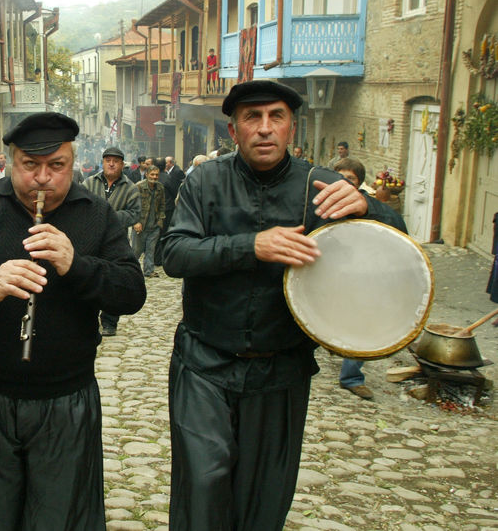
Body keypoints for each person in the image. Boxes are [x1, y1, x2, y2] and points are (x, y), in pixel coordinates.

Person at [162, 80, 401, 530]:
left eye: (277, 117)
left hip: (282, 369)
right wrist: (251, 245)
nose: (265, 128)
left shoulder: (321, 185)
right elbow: (173, 254)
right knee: (203, 485)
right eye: (253, 118)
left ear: (293, 127)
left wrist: (369, 206)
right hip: (203, 362)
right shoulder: (204, 181)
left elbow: (395, 243)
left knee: (264, 500)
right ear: (233, 131)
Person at [0, 112, 146, 530]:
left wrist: (76, 264)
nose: (43, 179)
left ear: (73, 164)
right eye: (30, 165)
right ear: (10, 162)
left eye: (56, 166)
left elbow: (131, 292)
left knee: (61, 520)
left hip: (66, 399)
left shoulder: (95, 212)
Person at [332, 156, 407, 401]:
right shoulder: (322, 204)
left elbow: (398, 231)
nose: (344, 182)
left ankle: (351, 377)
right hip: (333, 275)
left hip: (363, 277)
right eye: (339, 177)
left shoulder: (370, 206)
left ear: (359, 183)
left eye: (350, 179)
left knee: (360, 324)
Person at [84, 146, 140, 337]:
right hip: (90, 240)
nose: (111, 163)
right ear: (103, 162)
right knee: (90, 278)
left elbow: (134, 214)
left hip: (116, 243)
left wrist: (109, 217)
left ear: (122, 164)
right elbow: (80, 205)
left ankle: (109, 322)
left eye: (115, 161)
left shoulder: (130, 188)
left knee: (113, 280)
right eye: (108, 160)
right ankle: (88, 318)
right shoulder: (90, 183)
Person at [132, 165, 165, 278]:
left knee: (151, 249)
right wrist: (135, 222)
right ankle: (130, 268)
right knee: (137, 250)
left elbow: (162, 205)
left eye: (156, 175)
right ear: (147, 174)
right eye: (152, 174)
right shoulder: (139, 187)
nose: (154, 177)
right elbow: (132, 205)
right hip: (141, 224)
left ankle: (149, 270)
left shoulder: (160, 188)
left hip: (154, 225)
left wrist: (160, 221)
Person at [155, 156, 185, 269]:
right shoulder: (167, 178)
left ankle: (156, 257)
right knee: (164, 233)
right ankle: (160, 257)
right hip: (167, 208)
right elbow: (174, 192)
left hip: (157, 208)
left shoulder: (154, 177)